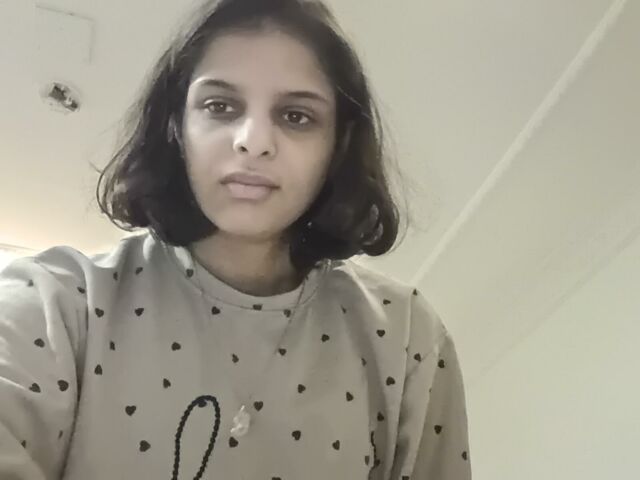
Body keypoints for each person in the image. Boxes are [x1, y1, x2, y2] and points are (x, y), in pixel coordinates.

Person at [0, 0, 472, 478]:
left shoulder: (406, 339)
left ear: (339, 144)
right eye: (220, 107)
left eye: (296, 116)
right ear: (176, 125)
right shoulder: (56, 305)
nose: (253, 140)